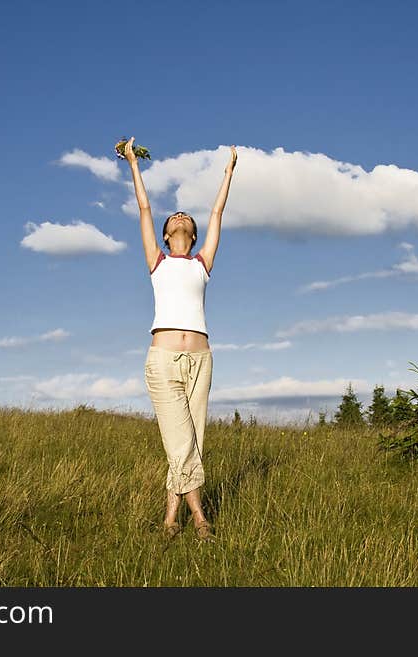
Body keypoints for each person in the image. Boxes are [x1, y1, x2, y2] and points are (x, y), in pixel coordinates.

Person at [122, 136, 237, 541]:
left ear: (191, 232)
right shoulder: (157, 260)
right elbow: (144, 207)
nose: (181, 216)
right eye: (175, 217)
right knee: (180, 438)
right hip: (163, 360)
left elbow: (218, 210)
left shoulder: (202, 263)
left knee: (191, 440)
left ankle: (170, 520)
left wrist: (228, 172)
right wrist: (133, 163)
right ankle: (200, 517)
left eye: (186, 216)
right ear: (168, 232)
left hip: (201, 361)